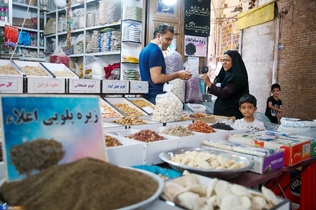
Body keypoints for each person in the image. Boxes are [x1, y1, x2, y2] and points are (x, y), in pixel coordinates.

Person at [139, 23, 192, 104]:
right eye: (167, 39)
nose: (169, 43)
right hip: (155, 96)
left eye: (171, 40)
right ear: (159, 36)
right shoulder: (156, 51)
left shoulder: (145, 49)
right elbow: (157, 79)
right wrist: (178, 74)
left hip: (147, 95)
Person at [201, 50, 249, 119]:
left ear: (234, 62)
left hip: (230, 114)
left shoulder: (236, 76)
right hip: (223, 112)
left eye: (227, 60)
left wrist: (209, 83)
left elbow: (224, 93)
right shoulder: (226, 73)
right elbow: (218, 84)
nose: (224, 63)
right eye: (222, 60)